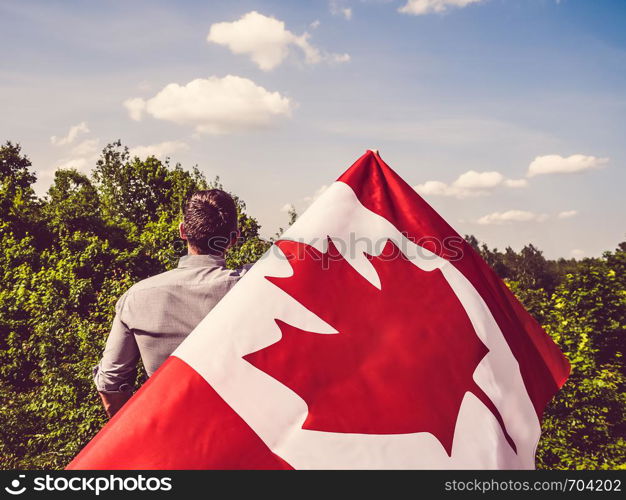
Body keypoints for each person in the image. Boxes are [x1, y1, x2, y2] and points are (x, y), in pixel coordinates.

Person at [93, 189, 247, 418]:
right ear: (234, 238)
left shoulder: (137, 297)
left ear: (183, 231)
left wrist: (136, 433)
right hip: (246, 437)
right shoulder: (256, 286)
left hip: (171, 437)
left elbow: (111, 382)